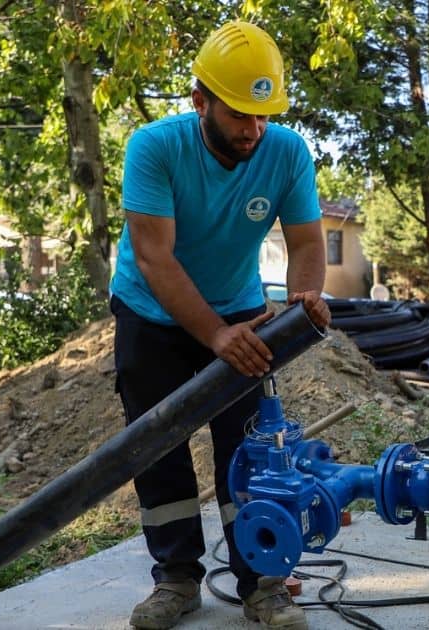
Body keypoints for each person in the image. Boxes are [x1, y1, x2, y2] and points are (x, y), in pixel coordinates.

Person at [109, 20, 330, 630]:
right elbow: (155, 256)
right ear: (199, 99)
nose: (254, 131)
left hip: (240, 310)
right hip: (150, 313)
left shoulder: (286, 151)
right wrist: (214, 336)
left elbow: (307, 240)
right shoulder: (154, 147)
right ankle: (177, 582)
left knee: (252, 453)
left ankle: (262, 583)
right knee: (158, 448)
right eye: (240, 115)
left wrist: (305, 299)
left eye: (265, 116)